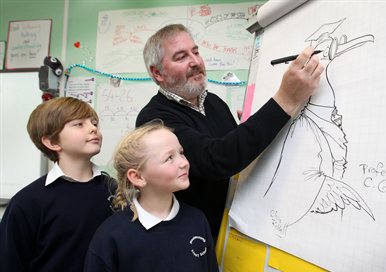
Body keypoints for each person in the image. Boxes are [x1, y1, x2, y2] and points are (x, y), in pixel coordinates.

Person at [135, 24, 324, 239]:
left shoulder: (214, 103)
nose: (195, 62)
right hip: (189, 243)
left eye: (195, 52)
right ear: (157, 73)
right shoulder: (153, 120)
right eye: (181, 57)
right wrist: (287, 98)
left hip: (235, 231)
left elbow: (238, 159)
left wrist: (249, 129)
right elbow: (219, 159)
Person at [0, 97, 116, 272]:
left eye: (94, 123)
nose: (93, 128)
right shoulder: (27, 202)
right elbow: (10, 263)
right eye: (79, 124)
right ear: (52, 142)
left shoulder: (114, 189)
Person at [84, 121, 218, 272]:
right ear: (137, 177)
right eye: (169, 158)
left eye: (181, 153)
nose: (184, 163)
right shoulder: (111, 236)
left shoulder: (197, 220)